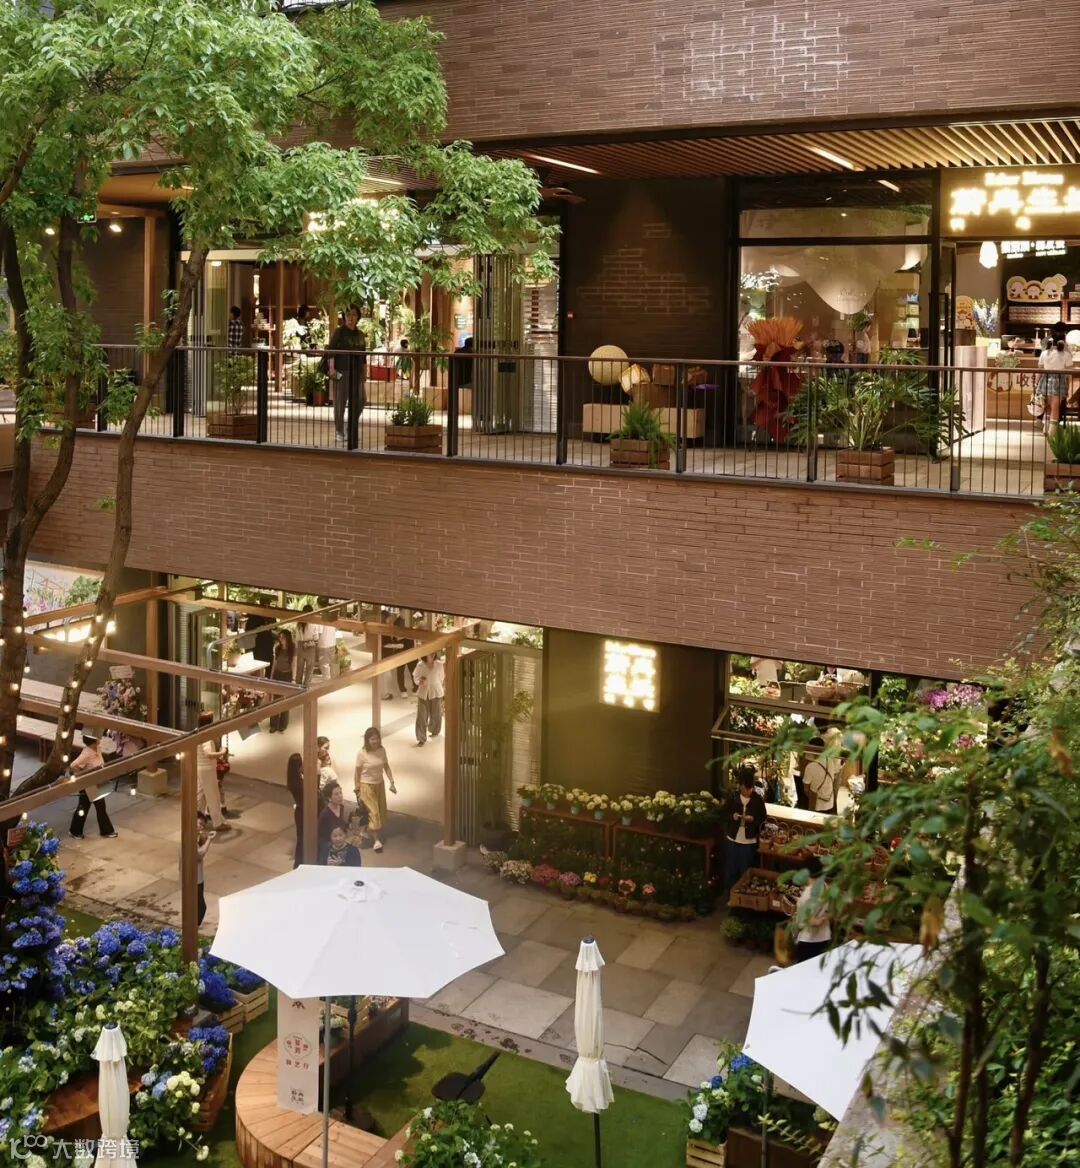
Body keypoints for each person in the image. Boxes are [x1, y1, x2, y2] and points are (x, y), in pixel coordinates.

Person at [326, 305, 366, 443]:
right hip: (341, 371)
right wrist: (332, 369)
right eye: (348, 314)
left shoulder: (360, 334)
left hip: (356, 371)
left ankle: (351, 427)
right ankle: (339, 430)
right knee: (340, 402)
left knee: (361, 399)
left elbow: (364, 355)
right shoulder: (339, 332)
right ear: (344, 317)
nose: (351, 317)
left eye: (354, 314)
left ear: (358, 317)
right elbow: (331, 350)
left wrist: (364, 372)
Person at [68, 731, 118, 839]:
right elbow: (73, 765)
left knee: (86, 807)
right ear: (93, 740)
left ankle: (75, 831)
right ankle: (106, 831)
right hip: (90, 784)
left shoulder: (97, 748)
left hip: (98, 782)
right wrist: (84, 774)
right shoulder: (86, 754)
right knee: (97, 807)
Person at [354, 726, 396, 852]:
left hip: (379, 784)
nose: (375, 741)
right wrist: (357, 789)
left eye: (377, 738)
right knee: (374, 812)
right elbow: (357, 772)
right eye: (372, 739)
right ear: (367, 740)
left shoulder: (382, 750)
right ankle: (376, 840)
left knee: (380, 811)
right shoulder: (362, 753)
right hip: (366, 785)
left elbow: (386, 766)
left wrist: (392, 782)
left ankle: (363, 830)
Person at [723, 772, 767, 890]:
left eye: (748, 789)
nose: (746, 792)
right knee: (731, 870)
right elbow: (724, 813)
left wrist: (753, 819)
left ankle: (743, 895)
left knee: (745, 871)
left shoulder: (757, 800)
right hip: (733, 838)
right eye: (743, 789)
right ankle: (730, 894)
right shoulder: (734, 797)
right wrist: (732, 816)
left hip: (749, 841)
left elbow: (763, 819)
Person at [196, 711, 231, 832]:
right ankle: (218, 822)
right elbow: (208, 754)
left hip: (201, 768)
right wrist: (222, 752)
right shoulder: (206, 736)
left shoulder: (198, 733)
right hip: (207, 769)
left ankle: (198, 819)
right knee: (213, 796)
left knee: (200, 796)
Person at [794, 857, 831, 963]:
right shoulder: (825, 886)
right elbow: (831, 910)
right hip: (824, 936)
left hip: (808, 940)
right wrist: (825, 917)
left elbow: (812, 922)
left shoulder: (808, 894)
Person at [1040, 329, 1074, 429]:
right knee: (1055, 407)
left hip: (1045, 379)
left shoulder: (1044, 353)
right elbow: (1069, 370)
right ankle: (1052, 432)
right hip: (1059, 380)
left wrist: (1036, 384)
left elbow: (1040, 368)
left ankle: (1046, 428)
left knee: (1047, 406)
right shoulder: (1065, 354)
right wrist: (1069, 385)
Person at [412, 652, 445, 746]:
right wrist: (419, 682)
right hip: (423, 692)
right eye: (430, 654)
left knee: (436, 713)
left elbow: (441, 677)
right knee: (421, 716)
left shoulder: (439, 664)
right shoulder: (420, 665)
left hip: (436, 691)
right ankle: (421, 738)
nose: (432, 655)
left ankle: (434, 730)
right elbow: (415, 676)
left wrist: (435, 684)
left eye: (433, 654)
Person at [801, 736, 839, 815]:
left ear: (811, 749)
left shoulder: (810, 766)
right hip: (829, 803)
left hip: (817, 806)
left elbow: (806, 789)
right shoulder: (830, 761)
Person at [268, 628, 296, 732]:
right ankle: (273, 724)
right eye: (280, 637)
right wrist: (271, 676)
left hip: (287, 675)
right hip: (277, 674)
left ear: (288, 638)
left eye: (283, 637)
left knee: (285, 700)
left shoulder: (293, 649)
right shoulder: (277, 648)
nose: (281, 639)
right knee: (275, 700)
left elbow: (294, 664)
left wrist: (293, 679)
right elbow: (274, 663)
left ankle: (283, 724)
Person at [286, 752, 305, 868]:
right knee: (302, 839)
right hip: (302, 812)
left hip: (300, 810)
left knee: (301, 839)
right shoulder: (298, 783)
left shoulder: (295, 779)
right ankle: (298, 863)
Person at [318, 780, 350, 846]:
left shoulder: (341, 807)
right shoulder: (325, 814)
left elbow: (341, 825)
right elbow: (321, 837)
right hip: (329, 845)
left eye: (341, 793)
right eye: (336, 794)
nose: (340, 796)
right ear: (329, 798)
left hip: (340, 842)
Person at [296, 606, 319, 687]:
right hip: (310, 646)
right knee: (309, 669)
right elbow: (316, 639)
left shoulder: (299, 623)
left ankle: (298, 686)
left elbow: (297, 638)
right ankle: (306, 686)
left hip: (300, 645)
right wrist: (308, 644)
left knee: (299, 668)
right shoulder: (314, 623)